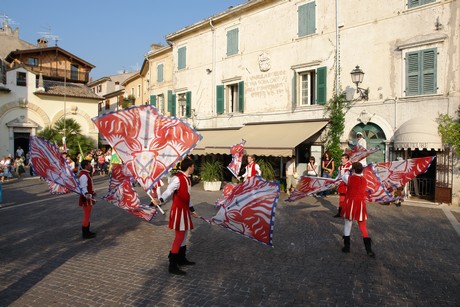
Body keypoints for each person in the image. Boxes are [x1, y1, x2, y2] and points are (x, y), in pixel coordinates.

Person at [152, 157, 199, 275]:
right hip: (178, 211)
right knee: (179, 236)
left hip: (184, 210)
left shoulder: (187, 179)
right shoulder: (177, 179)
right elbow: (169, 191)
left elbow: (187, 197)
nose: (194, 168)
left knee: (185, 234)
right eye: (193, 166)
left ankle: (181, 259)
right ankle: (172, 265)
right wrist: (161, 199)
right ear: (189, 167)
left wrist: (192, 209)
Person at [340, 162, 375, 258]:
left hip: (351, 203)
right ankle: (369, 250)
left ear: (353, 170)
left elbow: (343, 175)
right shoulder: (364, 180)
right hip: (360, 204)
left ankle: (347, 248)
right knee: (363, 226)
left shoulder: (349, 178)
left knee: (348, 225)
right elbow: (360, 174)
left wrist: (348, 170)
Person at [78, 160, 97, 239]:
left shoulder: (85, 174)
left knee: (88, 214)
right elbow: (83, 187)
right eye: (89, 164)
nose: (90, 166)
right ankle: (85, 233)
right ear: (86, 166)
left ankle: (87, 231)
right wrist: (87, 194)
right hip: (87, 198)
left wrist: (92, 192)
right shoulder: (84, 175)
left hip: (89, 196)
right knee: (86, 215)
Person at [334, 153, 352, 218]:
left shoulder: (350, 166)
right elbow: (338, 175)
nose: (341, 160)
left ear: (347, 159)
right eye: (341, 158)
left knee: (348, 199)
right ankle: (340, 213)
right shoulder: (340, 166)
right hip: (342, 183)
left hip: (348, 184)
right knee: (341, 198)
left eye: (343, 158)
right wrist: (334, 180)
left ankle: (348, 212)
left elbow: (352, 175)